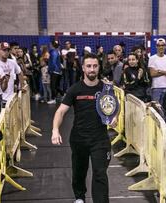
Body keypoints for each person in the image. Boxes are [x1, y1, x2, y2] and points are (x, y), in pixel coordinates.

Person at [51, 54, 117, 203]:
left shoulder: (107, 89)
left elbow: (112, 110)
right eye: (89, 66)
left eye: (95, 66)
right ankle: (79, 197)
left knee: (100, 174)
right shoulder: (75, 89)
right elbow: (60, 111)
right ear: (83, 68)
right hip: (79, 139)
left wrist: (114, 120)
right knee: (79, 172)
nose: (92, 69)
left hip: (100, 140)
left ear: (99, 67)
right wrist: (55, 130)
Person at [148, 38, 166, 104]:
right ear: (156, 46)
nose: (161, 47)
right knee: (156, 109)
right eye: (159, 45)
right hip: (156, 87)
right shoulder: (152, 58)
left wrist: (160, 71)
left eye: (162, 45)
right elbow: (152, 74)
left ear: (165, 46)